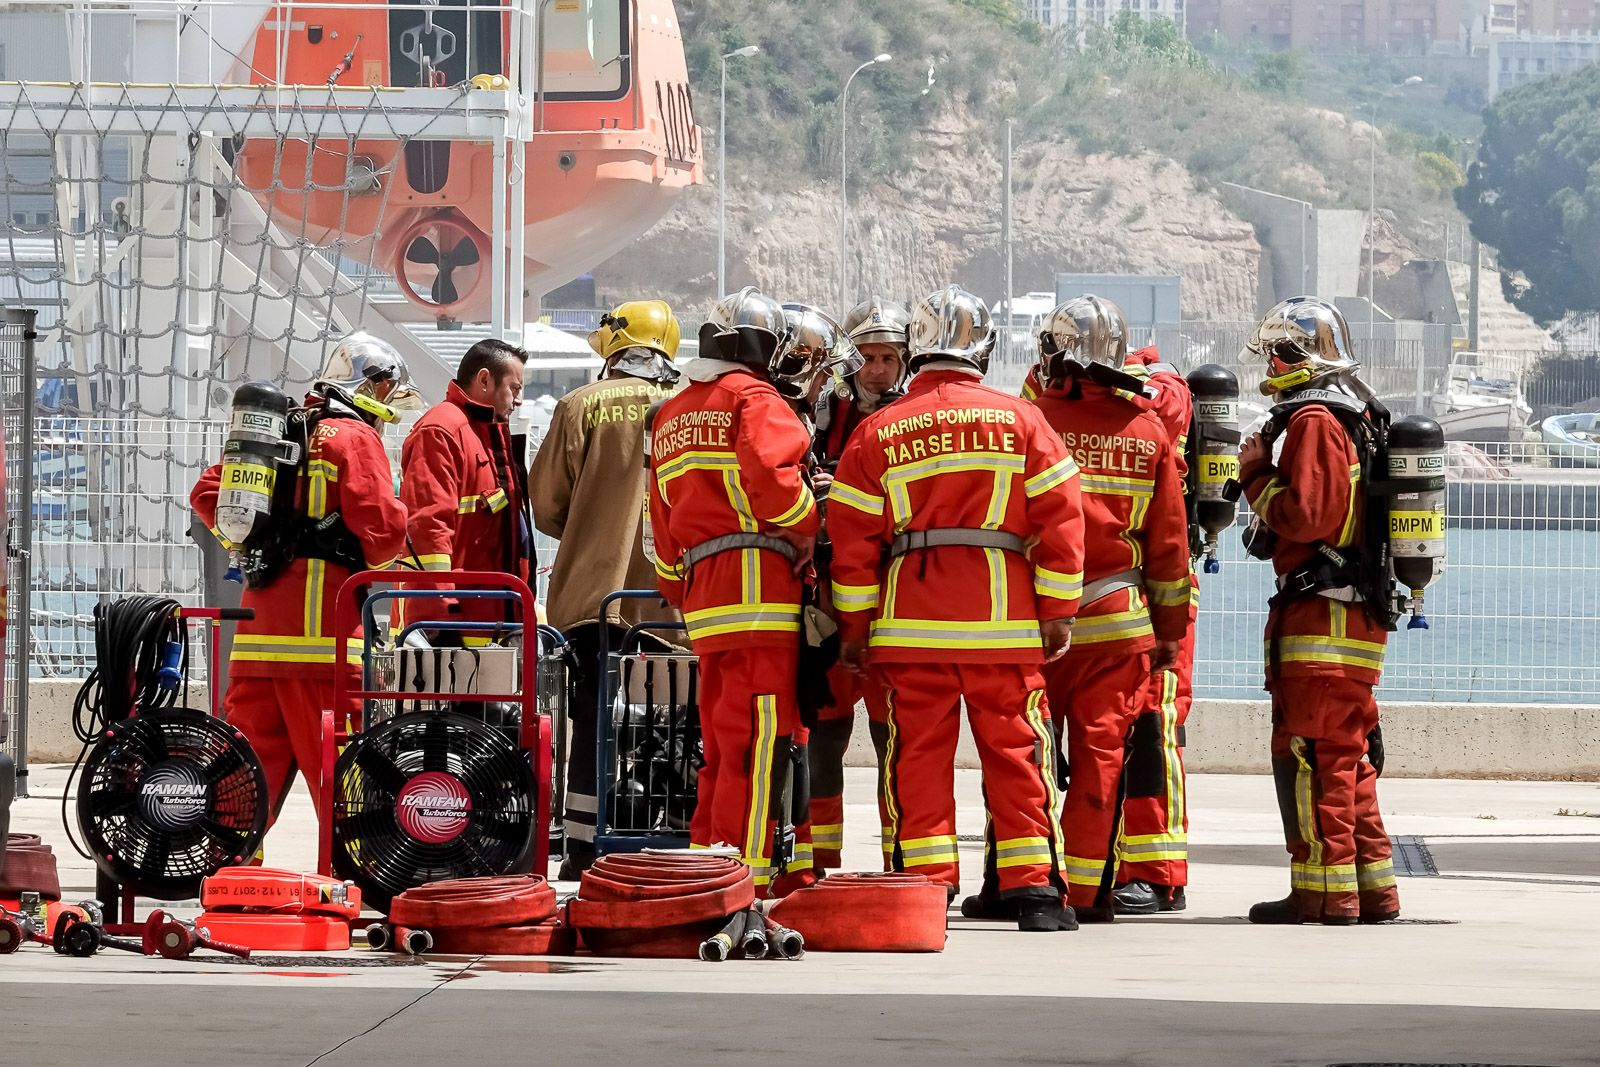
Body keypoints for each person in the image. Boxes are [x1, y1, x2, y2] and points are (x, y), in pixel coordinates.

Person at [828, 284, 1086, 932]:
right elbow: (1062, 520)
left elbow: (853, 543)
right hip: (1003, 628)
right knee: (1018, 754)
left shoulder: (878, 430)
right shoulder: (1024, 420)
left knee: (916, 757)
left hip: (910, 630)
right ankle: (1033, 891)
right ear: (986, 349)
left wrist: (856, 630)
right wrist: (1058, 611)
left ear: (916, 351)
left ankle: (926, 886)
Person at [1009, 295, 1191, 924]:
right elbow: (1170, 547)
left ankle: (1019, 883)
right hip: (1119, 621)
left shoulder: (1026, 420)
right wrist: (1169, 633)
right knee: (1102, 755)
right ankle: (1088, 893)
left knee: (1023, 752)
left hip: (1034, 619)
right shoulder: (1148, 431)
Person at [190, 332, 413, 829]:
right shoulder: (355, 439)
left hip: (255, 646)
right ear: (374, 388)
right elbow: (383, 532)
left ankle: (232, 884)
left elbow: (208, 492)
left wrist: (251, 541)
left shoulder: (276, 432)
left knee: (243, 784)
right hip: (324, 651)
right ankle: (353, 883)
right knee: (346, 787)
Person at [645, 287, 821, 897]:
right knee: (762, 740)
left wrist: (681, 587)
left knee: (721, 745)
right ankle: (746, 878)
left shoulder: (671, 412)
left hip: (706, 601)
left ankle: (706, 861)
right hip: (762, 595)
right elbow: (775, 481)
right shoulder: (754, 399)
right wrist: (809, 525)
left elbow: (660, 523)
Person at [1237, 296, 1401, 926]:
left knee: (1311, 757)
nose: (1270, 365)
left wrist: (1254, 475)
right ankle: (1374, 890)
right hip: (1350, 618)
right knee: (1348, 757)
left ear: (1296, 356)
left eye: (1277, 352)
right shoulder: (1355, 416)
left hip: (1321, 621)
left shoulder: (1313, 420)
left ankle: (1324, 894)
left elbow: (1307, 515)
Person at [529, 300, 683, 877]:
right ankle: (660, 832)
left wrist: (592, 523)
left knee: (593, 721)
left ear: (614, 351)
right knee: (669, 720)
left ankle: (585, 849)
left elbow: (547, 506)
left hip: (593, 600)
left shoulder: (580, 406)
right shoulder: (685, 409)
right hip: (674, 604)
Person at [807, 296, 908, 872]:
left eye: (888, 357)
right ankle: (822, 860)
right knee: (825, 737)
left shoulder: (915, 417)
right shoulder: (823, 412)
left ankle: (901, 855)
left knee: (897, 736)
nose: (877, 369)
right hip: (829, 597)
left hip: (894, 599)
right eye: (867, 356)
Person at [1114, 343, 1199, 914]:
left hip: (1156, 592)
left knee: (1153, 726)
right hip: (1107, 592)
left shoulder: (1161, 394)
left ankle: (1159, 872)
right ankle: (1112, 864)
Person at [400, 338, 534, 634]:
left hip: (493, 619)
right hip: (458, 626)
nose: (519, 399)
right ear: (484, 380)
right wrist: (435, 619)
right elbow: (428, 530)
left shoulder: (483, 434)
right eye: (514, 388)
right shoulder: (441, 432)